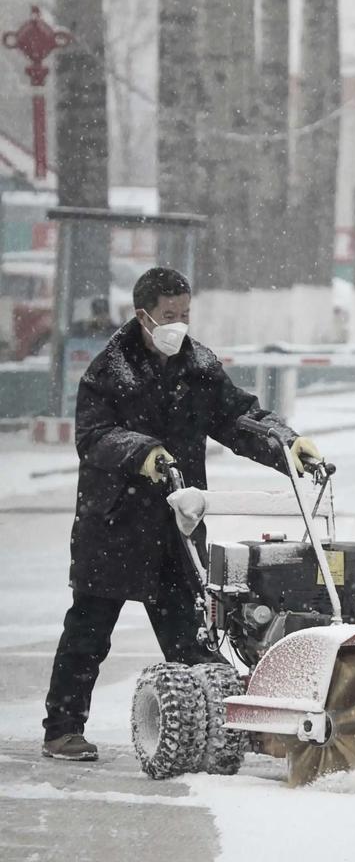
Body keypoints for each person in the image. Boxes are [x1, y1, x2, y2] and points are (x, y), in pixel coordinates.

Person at [42, 266, 320, 761]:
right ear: (143, 314)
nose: (178, 324)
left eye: (185, 314)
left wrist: (287, 443)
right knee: (88, 633)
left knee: (192, 634)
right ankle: (63, 729)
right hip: (115, 524)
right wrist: (143, 452)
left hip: (177, 525)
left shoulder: (199, 367)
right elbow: (94, 436)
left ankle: (219, 732)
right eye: (169, 315)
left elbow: (237, 417)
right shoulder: (108, 371)